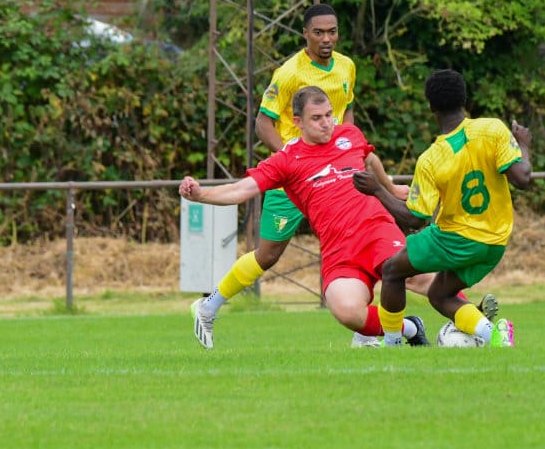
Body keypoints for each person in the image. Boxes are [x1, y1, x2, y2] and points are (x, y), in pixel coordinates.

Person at [192, 3, 406, 348]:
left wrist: (360, 165)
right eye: (318, 32)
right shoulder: (289, 73)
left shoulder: (347, 66)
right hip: (298, 175)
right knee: (268, 255)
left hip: (340, 172)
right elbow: (263, 123)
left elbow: (347, 113)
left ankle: (367, 329)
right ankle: (209, 306)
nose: (326, 39)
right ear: (305, 34)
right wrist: (297, 165)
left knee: (364, 239)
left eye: (332, 32)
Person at [182, 86, 429, 348]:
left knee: (419, 277)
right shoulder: (287, 158)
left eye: (329, 115)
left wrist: (390, 188)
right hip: (337, 243)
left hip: (376, 229)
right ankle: (409, 327)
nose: (326, 123)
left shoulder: (349, 133)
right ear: (298, 121)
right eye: (317, 118)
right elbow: (242, 188)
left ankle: (461, 326)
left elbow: (369, 159)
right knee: (343, 308)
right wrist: (201, 194)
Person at [353, 69, 532, 347]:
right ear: (464, 100)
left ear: (431, 107)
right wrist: (524, 145)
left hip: (456, 238)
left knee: (392, 271)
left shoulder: (431, 158)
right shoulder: (493, 129)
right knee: (439, 294)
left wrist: (377, 189)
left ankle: (392, 343)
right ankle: (493, 334)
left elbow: (414, 219)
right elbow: (523, 179)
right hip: (494, 242)